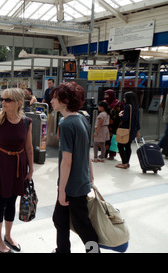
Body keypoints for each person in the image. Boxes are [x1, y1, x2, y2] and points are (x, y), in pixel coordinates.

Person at [50, 82, 99, 253]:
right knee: (60, 219)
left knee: (82, 226)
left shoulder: (66, 124)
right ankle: (62, 250)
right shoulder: (82, 119)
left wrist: (62, 190)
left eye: (55, 97)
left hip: (72, 186)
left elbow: (66, 161)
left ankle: (94, 251)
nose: (51, 101)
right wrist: (90, 174)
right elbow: (86, 151)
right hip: (80, 180)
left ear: (64, 100)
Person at [0, 88, 34, 253]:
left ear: (18, 103)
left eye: (7, 100)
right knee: (1, 202)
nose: (2, 102)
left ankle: (8, 235)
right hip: (0, 165)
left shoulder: (26, 122)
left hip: (19, 166)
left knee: (12, 202)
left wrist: (31, 169)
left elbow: (28, 147)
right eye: (2, 99)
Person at [116, 91, 140, 169]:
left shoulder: (127, 107)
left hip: (125, 130)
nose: (123, 99)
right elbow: (137, 120)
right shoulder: (136, 107)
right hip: (132, 130)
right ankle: (126, 162)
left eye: (125, 97)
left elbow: (125, 119)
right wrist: (137, 130)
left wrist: (120, 115)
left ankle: (124, 162)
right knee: (128, 146)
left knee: (120, 145)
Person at [103, 89, 124, 160]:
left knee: (113, 140)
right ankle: (104, 153)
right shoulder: (105, 102)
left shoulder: (118, 103)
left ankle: (112, 154)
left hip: (115, 125)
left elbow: (120, 114)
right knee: (105, 138)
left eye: (107, 95)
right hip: (105, 124)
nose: (105, 96)